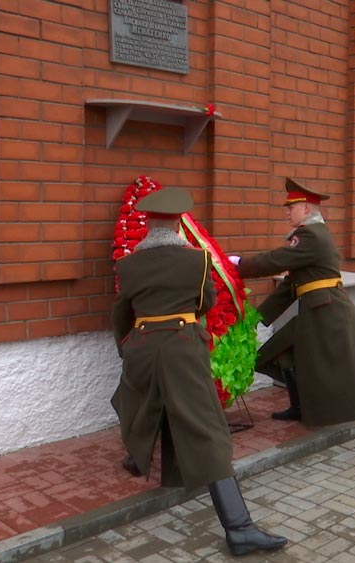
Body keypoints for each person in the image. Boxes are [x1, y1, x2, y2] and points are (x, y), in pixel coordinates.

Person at [110, 187, 287, 556]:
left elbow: (121, 316)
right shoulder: (197, 261)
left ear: (148, 226)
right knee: (209, 433)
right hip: (182, 349)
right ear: (177, 224)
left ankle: (136, 455)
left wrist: (127, 349)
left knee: (143, 399)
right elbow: (206, 302)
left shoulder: (127, 266)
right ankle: (238, 530)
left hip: (142, 347)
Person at [232, 178, 355, 481]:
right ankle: (300, 406)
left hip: (333, 318)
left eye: (291, 207)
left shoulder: (310, 236)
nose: (286, 212)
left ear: (306, 208)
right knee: (276, 354)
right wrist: (253, 318)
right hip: (315, 315)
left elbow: (274, 260)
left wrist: (238, 264)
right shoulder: (308, 237)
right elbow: (292, 285)